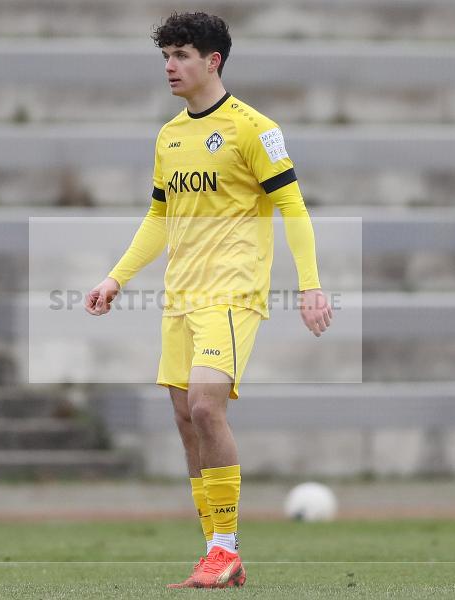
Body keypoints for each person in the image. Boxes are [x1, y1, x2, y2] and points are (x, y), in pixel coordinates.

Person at [85, 11, 332, 589]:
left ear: (212, 61)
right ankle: (217, 552)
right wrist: (116, 278)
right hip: (180, 296)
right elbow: (158, 214)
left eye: (180, 55)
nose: (169, 66)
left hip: (232, 291)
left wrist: (311, 283)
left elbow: (293, 208)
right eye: (165, 55)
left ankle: (225, 548)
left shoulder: (254, 129)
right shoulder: (169, 135)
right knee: (183, 417)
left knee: (204, 406)